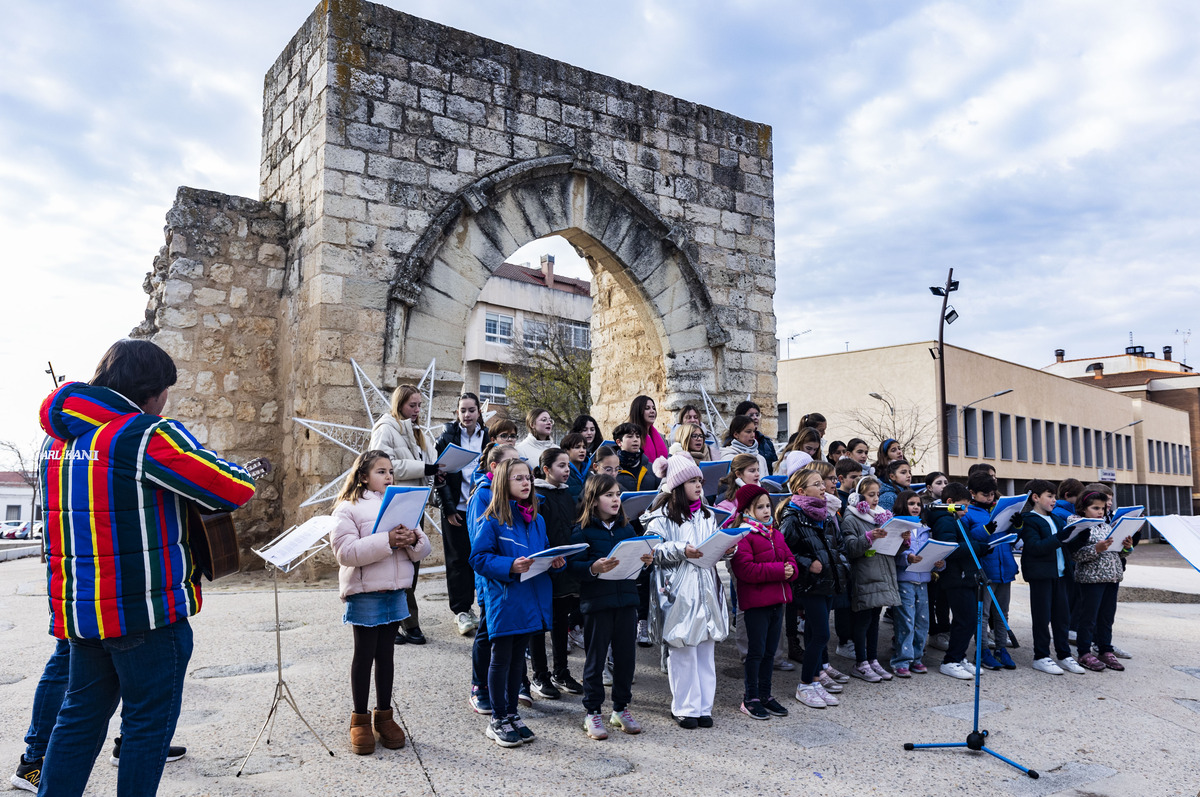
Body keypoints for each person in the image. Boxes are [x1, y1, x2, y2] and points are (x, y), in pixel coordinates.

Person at [33, 339, 255, 797]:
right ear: (150, 392)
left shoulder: (54, 442)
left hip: (81, 611)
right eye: (165, 391)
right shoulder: (146, 436)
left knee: (77, 721)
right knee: (146, 730)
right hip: (145, 613)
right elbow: (232, 488)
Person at [330, 450, 432, 754]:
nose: (388, 477)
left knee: (386, 654)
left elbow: (422, 548)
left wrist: (413, 540)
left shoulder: (401, 504)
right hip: (366, 591)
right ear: (363, 476)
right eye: (381, 471)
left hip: (395, 590)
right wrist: (387, 540)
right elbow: (345, 552)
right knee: (364, 654)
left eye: (390, 472)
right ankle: (359, 719)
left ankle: (384, 716)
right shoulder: (347, 508)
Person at [469, 459, 566, 748]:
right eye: (518, 479)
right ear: (503, 483)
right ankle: (497, 718)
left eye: (528, 478)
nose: (526, 483)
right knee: (502, 660)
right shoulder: (492, 518)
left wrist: (556, 562)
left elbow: (541, 555)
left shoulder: (537, 519)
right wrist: (510, 565)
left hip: (530, 599)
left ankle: (512, 713)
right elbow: (479, 558)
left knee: (517, 663)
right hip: (506, 598)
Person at [645, 454, 735, 729]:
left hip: (706, 588)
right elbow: (652, 549)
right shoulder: (661, 515)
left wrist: (726, 549)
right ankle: (685, 707)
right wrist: (680, 549)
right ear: (677, 484)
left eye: (700, 480)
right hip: (678, 593)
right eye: (692, 481)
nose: (698, 485)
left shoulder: (707, 513)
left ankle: (704, 707)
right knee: (683, 650)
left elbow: (711, 545)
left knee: (706, 650)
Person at [569, 475, 652, 739]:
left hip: (627, 602)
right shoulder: (582, 531)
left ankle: (621, 709)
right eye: (609, 495)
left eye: (617, 495)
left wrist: (645, 562)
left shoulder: (628, 529)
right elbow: (573, 568)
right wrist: (593, 568)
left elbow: (636, 569)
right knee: (596, 659)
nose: (616, 499)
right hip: (597, 605)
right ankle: (592, 712)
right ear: (593, 500)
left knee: (626, 659)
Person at [369, 384, 438, 645]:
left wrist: (434, 468)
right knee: (394, 564)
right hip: (396, 502)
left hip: (415, 503)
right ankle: (401, 622)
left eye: (420, 405)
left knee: (412, 562)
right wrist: (423, 467)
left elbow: (427, 461)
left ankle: (403, 620)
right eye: (412, 405)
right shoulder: (386, 428)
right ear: (399, 405)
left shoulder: (417, 430)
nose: (417, 410)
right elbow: (380, 463)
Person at [778, 468, 850, 707]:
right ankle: (805, 684)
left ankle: (816, 679)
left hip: (828, 581)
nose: (823, 488)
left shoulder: (824, 514)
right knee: (821, 634)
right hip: (809, 585)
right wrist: (808, 563)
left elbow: (836, 546)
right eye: (816, 484)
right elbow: (783, 552)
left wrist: (840, 565)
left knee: (813, 634)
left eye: (823, 483)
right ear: (801, 491)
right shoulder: (793, 517)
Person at [729, 485, 797, 720]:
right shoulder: (743, 535)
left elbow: (790, 559)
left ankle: (766, 694)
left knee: (770, 652)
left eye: (768, 506)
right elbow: (745, 570)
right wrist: (781, 570)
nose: (766, 510)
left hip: (777, 601)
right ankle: (751, 698)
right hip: (757, 604)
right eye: (760, 507)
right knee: (755, 652)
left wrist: (791, 570)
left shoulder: (774, 533)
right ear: (747, 509)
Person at [465, 444, 521, 715]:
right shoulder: (483, 497)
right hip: (492, 579)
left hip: (512, 577)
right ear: (495, 468)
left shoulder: (518, 501)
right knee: (488, 633)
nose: (518, 471)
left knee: (507, 636)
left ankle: (509, 687)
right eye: (511, 465)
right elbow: (481, 546)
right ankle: (479, 686)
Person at [528, 449, 584, 700]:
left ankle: (561, 671)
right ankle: (539, 674)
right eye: (561, 465)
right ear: (546, 469)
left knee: (561, 620)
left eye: (568, 466)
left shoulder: (566, 494)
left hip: (564, 567)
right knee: (539, 624)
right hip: (543, 568)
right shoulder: (538, 496)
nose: (567, 470)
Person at [1018, 479, 1085, 676]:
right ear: (1035, 498)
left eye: (1055, 496)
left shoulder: (1056, 519)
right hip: (1042, 576)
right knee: (1042, 617)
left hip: (1061, 575)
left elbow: (1066, 546)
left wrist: (1080, 533)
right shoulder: (1029, 520)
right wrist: (1060, 538)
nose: (1054, 500)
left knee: (1062, 617)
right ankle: (1041, 656)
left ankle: (1064, 655)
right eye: (1050, 496)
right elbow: (1035, 547)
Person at [435, 392, 489, 636]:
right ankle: (461, 611)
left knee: (481, 557)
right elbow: (439, 478)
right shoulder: (447, 438)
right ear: (457, 413)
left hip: (482, 509)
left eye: (471, 410)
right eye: (463, 410)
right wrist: (447, 508)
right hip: (455, 508)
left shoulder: (487, 437)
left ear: (479, 412)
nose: (467, 415)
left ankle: (484, 606)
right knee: (457, 560)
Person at [840, 476, 903, 682]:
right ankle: (861, 662)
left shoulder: (883, 517)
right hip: (865, 574)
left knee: (875, 620)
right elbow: (849, 546)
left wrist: (902, 541)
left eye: (877, 494)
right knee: (863, 620)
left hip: (882, 572)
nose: (876, 499)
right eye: (870, 495)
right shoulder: (851, 517)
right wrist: (868, 538)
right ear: (859, 497)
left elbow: (890, 549)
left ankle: (872, 659)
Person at [926, 482, 987, 680]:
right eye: (964, 506)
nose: (966, 511)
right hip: (955, 578)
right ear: (950, 502)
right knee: (964, 619)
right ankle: (950, 660)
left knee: (970, 620)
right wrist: (978, 547)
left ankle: (959, 656)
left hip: (965, 576)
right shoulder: (945, 520)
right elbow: (949, 548)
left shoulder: (955, 519)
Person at [1067, 491, 1132, 672]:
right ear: (1083, 508)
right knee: (1088, 618)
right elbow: (1074, 554)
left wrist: (1127, 547)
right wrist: (1095, 549)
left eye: (1102, 508)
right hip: (1091, 579)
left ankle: (1105, 649)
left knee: (1106, 617)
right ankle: (1084, 652)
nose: (1100, 512)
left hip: (1112, 577)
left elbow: (1118, 553)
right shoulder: (1078, 525)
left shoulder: (1106, 525)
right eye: (1095, 508)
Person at [964, 473, 1016, 671]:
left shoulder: (998, 510)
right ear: (972, 493)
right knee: (983, 614)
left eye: (992, 494)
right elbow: (969, 539)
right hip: (986, 570)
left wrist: (1016, 524)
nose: (989, 498)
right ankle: (983, 649)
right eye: (985, 494)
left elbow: (1012, 537)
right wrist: (985, 530)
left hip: (1005, 568)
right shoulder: (968, 512)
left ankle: (1001, 648)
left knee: (1002, 613)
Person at [891, 490, 942, 677]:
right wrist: (907, 558)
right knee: (906, 620)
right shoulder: (897, 527)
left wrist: (939, 563)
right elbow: (892, 554)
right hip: (905, 579)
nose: (915, 507)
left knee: (923, 621)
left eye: (918, 504)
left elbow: (932, 553)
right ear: (902, 505)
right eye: (911, 503)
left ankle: (917, 658)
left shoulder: (925, 529)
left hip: (923, 580)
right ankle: (901, 660)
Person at [613, 422, 660, 492]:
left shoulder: (651, 468)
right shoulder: (612, 469)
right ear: (619, 442)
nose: (635, 440)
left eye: (638, 436)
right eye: (630, 436)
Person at [736, 400, 779, 473]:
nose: (755, 417)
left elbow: (774, 467)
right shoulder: (733, 443)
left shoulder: (767, 442)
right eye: (751, 415)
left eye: (757, 414)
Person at [629, 395, 669, 464]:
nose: (652, 411)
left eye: (653, 408)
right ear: (638, 411)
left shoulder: (661, 437)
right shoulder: (631, 437)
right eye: (647, 408)